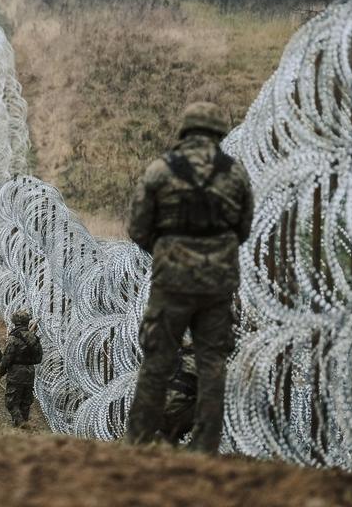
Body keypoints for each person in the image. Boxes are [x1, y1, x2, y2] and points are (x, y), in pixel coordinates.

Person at [123, 101, 254, 453]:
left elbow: (137, 229)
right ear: (218, 134)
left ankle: (137, 441)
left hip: (172, 281)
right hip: (217, 283)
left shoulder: (160, 170)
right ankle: (205, 446)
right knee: (212, 362)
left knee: (158, 357)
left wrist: (167, 248)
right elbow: (244, 228)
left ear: (185, 131)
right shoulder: (236, 173)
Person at [0, 309, 43, 428]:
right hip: (30, 371)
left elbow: (7, 357)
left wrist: (2, 370)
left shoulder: (14, 338)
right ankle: (22, 424)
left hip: (16, 372)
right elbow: (39, 358)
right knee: (25, 401)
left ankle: (20, 423)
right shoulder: (33, 337)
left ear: (16, 322)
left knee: (11, 401)